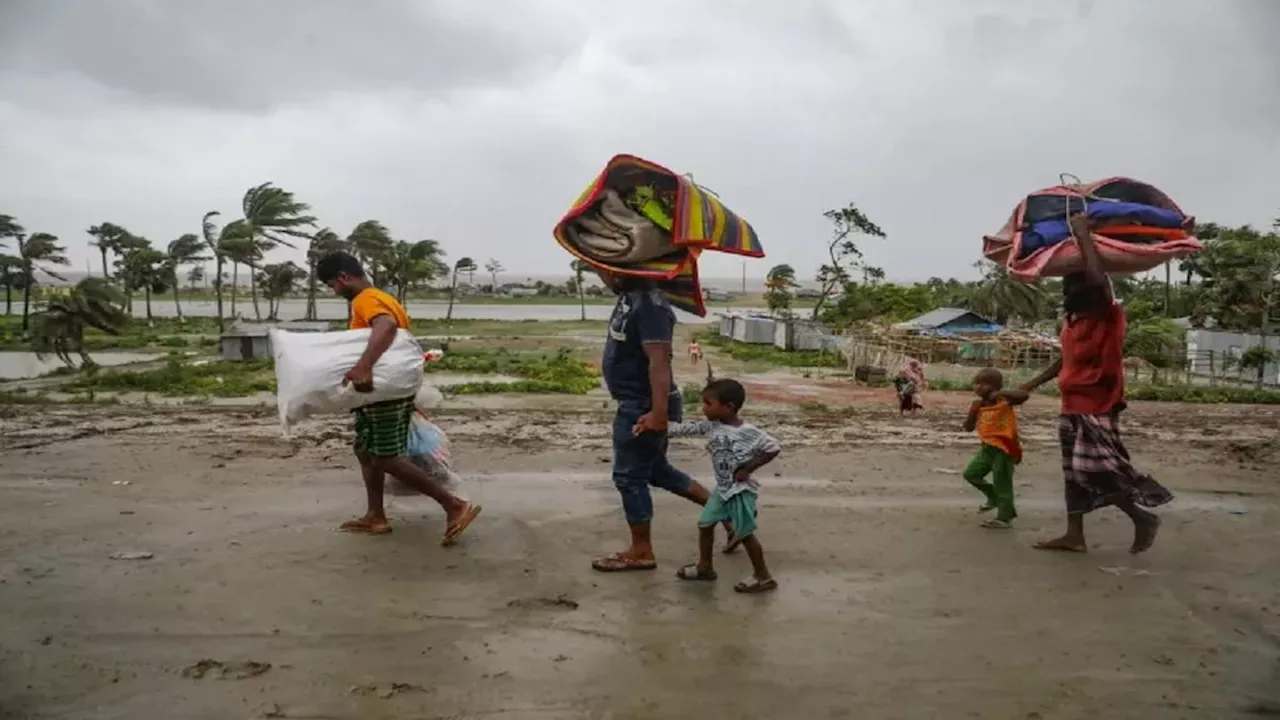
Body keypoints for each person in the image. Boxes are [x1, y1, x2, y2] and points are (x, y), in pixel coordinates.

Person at [1020, 215, 1172, 554]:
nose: (1068, 289)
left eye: (1074, 284)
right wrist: (1030, 385)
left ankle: (1142, 517)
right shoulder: (1072, 322)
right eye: (1066, 285)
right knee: (1073, 474)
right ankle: (1075, 536)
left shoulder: (1108, 315)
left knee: (1096, 470)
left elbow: (1098, 279)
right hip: (1071, 405)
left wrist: (1084, 235)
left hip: (1098, 404)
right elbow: (1065, 361)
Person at [315, 251, 482, 545]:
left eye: (332, 285)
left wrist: (363, 366)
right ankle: (375, 516)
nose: (334, 291)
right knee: (365, 450)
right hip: (384, 390)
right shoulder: (380, 296)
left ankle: (454, 505)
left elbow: (387, 326)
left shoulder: (365, 299)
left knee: (385, 457)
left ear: (343, 277)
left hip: (381, 391)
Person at [592, 271, 718, 572]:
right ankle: (729, 515)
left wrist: (658, 414)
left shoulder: (651, 305)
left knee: (628, 477)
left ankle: (641, 551)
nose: (604, 274)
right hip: (638, 402)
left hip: (644, 405)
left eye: (610, 267)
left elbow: (659, 362)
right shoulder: (630, 295)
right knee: (657, 471)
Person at [662, 378, 780, 593]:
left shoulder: (748, 432)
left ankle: (763, 577)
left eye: (708, 403)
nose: (703, 408)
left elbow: (773, 447)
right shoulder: (711, 426)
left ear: (728, 407)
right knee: (705, 524)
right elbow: (684, 429)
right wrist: (656, 423)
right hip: (723, 489)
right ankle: (705, 567)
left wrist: (748, 468)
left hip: (739, 491)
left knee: (744, 534)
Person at [962, 368, 1029, 529]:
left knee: (1002, 482)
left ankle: (1005, 516)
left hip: (1004, 448)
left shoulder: (1004, 401)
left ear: (995, 386)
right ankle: (993, 497)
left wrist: (1001, 393)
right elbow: (968, 427)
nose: (977, 387)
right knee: (971, 474)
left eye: (982, 384)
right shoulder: (978, 404)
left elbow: (1024, 395)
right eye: (975, 383)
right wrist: (973, 411)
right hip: (987, 448)